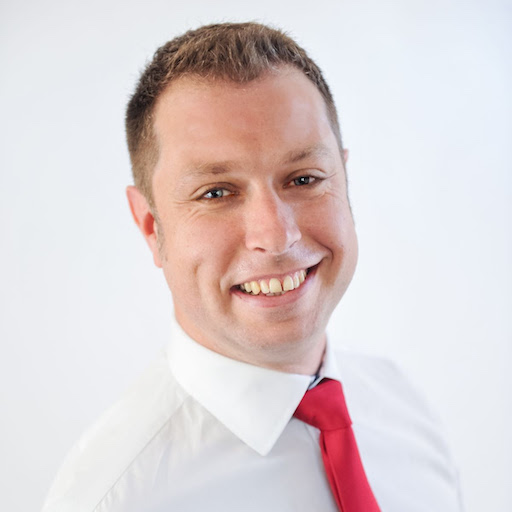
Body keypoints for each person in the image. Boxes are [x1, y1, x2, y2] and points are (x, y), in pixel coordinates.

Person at [42, 22, 463, 512]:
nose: (277, 236)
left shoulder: (407, 410)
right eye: (216, 193)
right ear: (152, 228)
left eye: (304, 178)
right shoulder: (114, 498)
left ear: (344, 181)